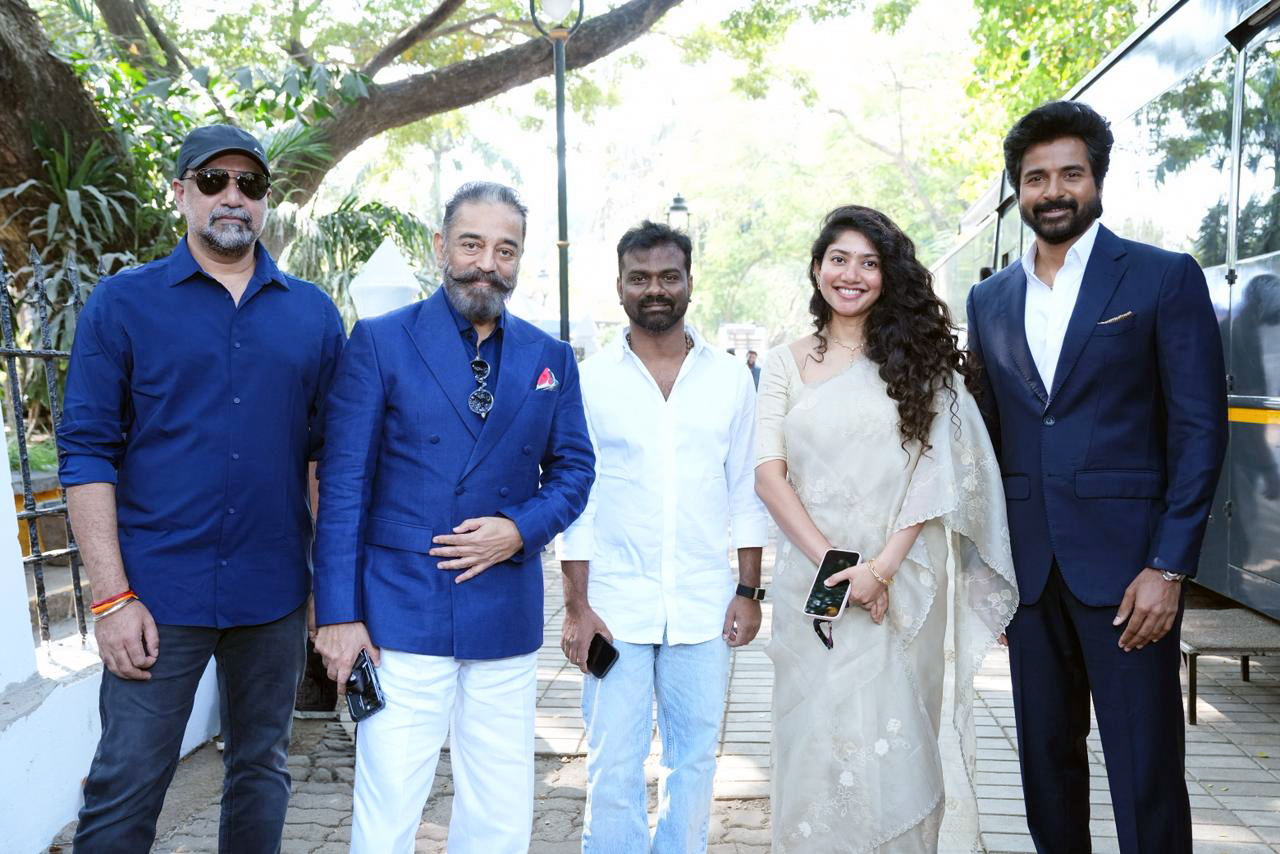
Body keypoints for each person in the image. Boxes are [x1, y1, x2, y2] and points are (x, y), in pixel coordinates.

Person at [58, 124, 346, 851]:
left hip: (273, 591)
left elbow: (328, 461)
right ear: (181, 192)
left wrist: (330, 591)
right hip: (156, 595)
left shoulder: (312, 314)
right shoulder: (123, 304)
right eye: (215, 180)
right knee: (126, 784)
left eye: (251, 184)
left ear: (266, 200)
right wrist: (111, 598)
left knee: (261, 769)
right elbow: (86, 454)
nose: (233, 197)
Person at [965, 100, 1228, 854]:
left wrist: (1169, 566)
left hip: (1131, 577)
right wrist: (990, 572)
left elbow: (1199, 430)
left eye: (1070, 174)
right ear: (1018, 190)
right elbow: (986, 441)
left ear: (1098, 180)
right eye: (1035, 177)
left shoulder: (1161, 277)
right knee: (1045, 773)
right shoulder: (989, 299)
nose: (1053, 191)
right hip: (1030, 576)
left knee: (1146, 772)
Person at [312, 181, 595, 854]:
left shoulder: (550, 358)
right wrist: (338, 615)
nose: (487, 264)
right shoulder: (380, 341)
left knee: (500, 808)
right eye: (472, 244)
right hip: (401, 610)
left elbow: (576, 470)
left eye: (506, 249)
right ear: (441, 246)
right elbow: (343, 485)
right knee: (389, 808)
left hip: (503, 608)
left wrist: (520, 529)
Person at [755, 204, 1017, 853]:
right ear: (817, 268)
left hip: (904, 583)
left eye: (869, 263)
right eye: (838, 259)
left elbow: (936, 473)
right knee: (815, 743)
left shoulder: (920, 363)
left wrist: (880, 571)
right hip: (813, 584)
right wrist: (839, 570)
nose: (851, 274)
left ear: (888, 275)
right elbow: (768, 474)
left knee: (897, 742)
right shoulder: (784, 363)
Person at [558, 221, 769, 853]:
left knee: (694, 762)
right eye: (640, 278)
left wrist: (748, 591)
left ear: (689, 284)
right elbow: (578, 500)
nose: (655, 289)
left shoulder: (730, 379)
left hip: (703, 606)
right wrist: (576, 607)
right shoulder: (590, 380)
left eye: (668, 276)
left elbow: (746, 489)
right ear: (620, 286)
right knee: (613, 765)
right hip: (614, 606)